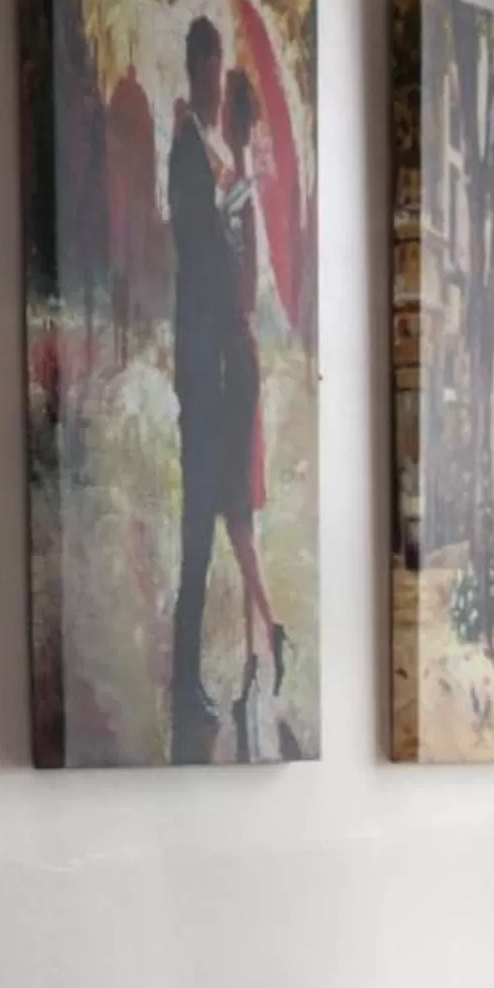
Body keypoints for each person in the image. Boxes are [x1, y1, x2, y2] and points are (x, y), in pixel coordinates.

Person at [167, 17, 234, 761]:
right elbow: (195, 248)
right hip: (199, 364)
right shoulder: (187, 150)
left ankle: (187, 680)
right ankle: (183, 683)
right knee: (195, 525)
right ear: (198, 67)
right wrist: (223, 216)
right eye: (212, 68)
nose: (217, 82)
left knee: (206, 524)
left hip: (209, 361)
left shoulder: (201, 150)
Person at [219, 67, 287, 702]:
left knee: (234, 511)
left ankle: (271, 628)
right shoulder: (246, 191)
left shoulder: (234, 191)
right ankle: (254, 649)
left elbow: (240, 287)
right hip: (247, 353)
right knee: (242, 510)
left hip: (232, 359)